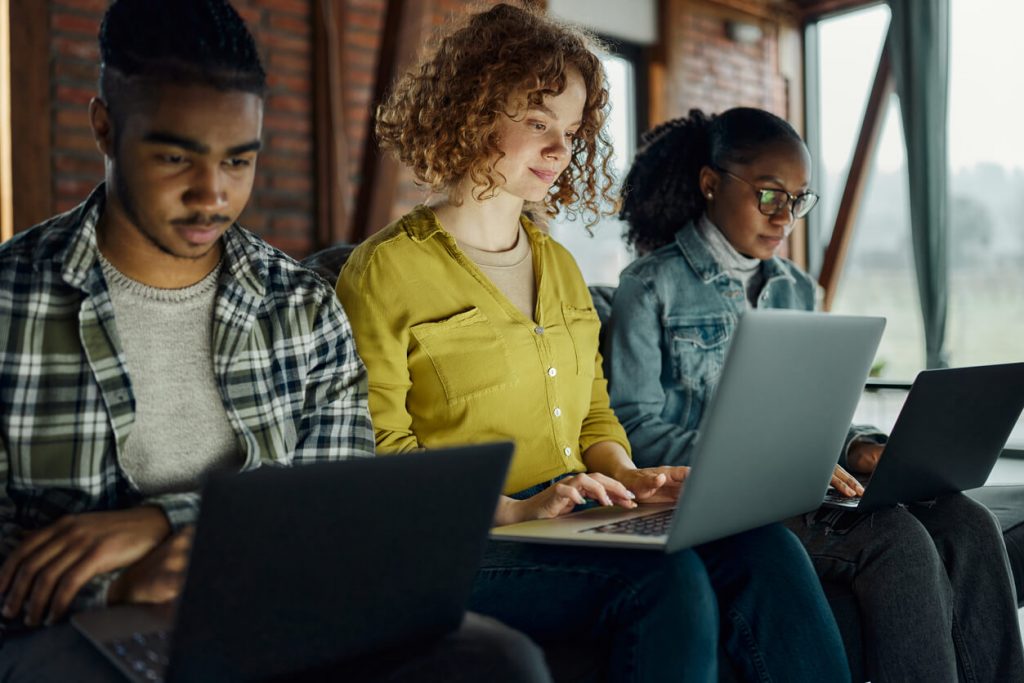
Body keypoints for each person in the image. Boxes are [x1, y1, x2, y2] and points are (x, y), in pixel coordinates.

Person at [0, 2, 550, 681]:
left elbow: (342, 515)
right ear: (105, 127)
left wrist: (164, 522)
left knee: (502, 660)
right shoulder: (10, 301)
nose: (213, 193)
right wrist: (115, 587)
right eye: (176, 156)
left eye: (239, 160)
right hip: (84, 630)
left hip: (283, 608)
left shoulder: (303, 304)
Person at [337, 4, 851, 681]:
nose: (560, 149)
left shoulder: (559, 267)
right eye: (537, 123)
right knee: (667, 580)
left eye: (572, 131)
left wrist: (627, 473)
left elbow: (593, 412)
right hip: (460, 543)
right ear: (470, 111)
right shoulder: (383, 272)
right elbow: (379, 460)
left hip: (571, 517)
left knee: (766, 549)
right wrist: (518, 507)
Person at [607, 106, 1024, 682]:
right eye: (770, 195)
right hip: (717, 501)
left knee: (965, 522)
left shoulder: (798, 288)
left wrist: (859, 448)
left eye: (799, 201)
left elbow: (817, 413)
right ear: (710, 183)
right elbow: (634, 427)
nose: (786, 218)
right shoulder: (649, 287)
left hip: (797, 487)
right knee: (895, 539)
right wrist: (763, 456)